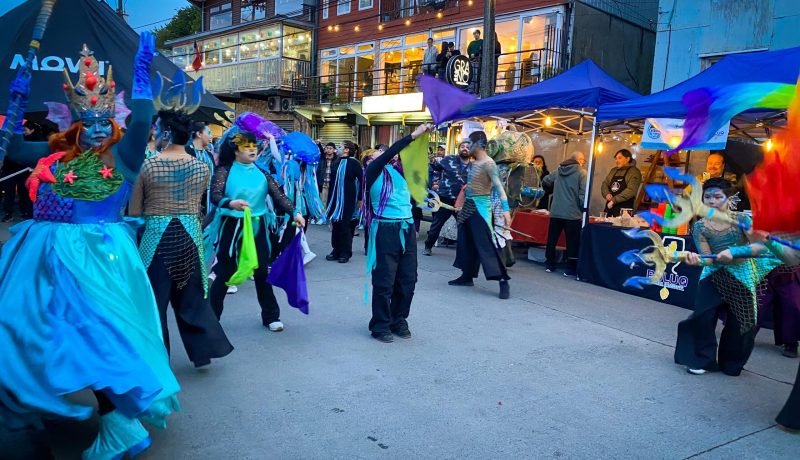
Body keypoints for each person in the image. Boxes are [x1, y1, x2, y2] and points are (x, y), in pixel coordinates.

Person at [0, 35, 180, 459]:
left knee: (95, 333)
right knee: (33, 329)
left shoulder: (123, 157)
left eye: (104, 122)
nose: (97, 129)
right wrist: (16, 96)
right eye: (89, 123)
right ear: (76, 123)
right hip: (43, 256)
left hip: (97, 257)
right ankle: (40, 402)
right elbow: (8, 150)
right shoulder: (54, 156)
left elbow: (140, 121)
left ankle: (119, 423)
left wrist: (141, 72)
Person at [129, 107, 233, 368]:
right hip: (190, 237)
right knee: (193, 297)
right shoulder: (201, 167)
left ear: (165, 132)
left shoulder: (147, 165)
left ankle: (157, 359)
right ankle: (202, 353)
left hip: (156, 239)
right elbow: (200, 205)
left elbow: (134, 211)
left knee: (155, 301)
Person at [207, 122, 304, 333]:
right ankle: (211, 318)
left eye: (254, 146)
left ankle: (271, 316)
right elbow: (215, 196)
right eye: (246, 146)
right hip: (232, 227)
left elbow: (278, 196)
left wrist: (294, 212)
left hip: (258, 226)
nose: (252, 149)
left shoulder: (261, 172)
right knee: (225, 272)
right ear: (235, 150)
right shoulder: (224, 170)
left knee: (261, 271)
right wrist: (230, 203)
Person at [676, 178, 779, 376]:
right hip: (713, 272)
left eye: (718, 197)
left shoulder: (741, 220)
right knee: (702, 317)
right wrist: (695, 259)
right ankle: (702, 360)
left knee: (743, 322)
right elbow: (706, 259)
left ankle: (731, 361)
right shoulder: (700, 226)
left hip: (741, 273)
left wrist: (736, 251)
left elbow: (760, 247)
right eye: (708, 197)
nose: (712, 201)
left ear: (728, 198)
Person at [363, 124, 432, 343]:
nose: (382, 155)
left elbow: (414, 167)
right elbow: (393, 151)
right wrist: (414, 134)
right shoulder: (371, 172)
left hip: (407, 228)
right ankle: (380, 324)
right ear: (369, 160)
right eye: (377, 154)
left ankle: (398, 319)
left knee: (408, 280)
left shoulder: (399, 174)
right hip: (385, 230)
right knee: (384, 280)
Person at [745, 230, 800, 430]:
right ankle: (739, 352)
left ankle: (791, 343)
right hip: (765, 269)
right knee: (754, 310)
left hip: (790, 270)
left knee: (793, 307)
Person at [448, 131, 512, 299]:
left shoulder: (489, 163)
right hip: (469, 204)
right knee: (465, 241)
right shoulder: (474, 162)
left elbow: (499, 188)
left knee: (486, 243)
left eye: (469, 143)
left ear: (478, 144)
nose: (466, 146)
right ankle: (467, 275)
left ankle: (503, 280)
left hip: (481, 207)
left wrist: (506, 210)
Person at [543, 152, 586, 278]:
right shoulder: (582, 173)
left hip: (555, 211)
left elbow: (546, 180)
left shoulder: (558, 170)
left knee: (552, 239)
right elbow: (582, 194)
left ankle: (549, 264)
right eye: (582, 159)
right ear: (578, 160)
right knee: (572, 242)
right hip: (572, 214)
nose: (583, 161)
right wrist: (583, 208)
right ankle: (569, 268)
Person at [423, 140, 471, 255]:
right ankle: (428, 246)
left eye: (468, 147)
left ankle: (465, 251)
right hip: (444, 198)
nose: (465, 148)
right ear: (458, 149)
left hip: (461, 201)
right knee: (437, 224)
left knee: (464, 226)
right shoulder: (449, 160)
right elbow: (435, 168)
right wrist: (433, 183)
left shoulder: (475, 166)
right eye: (462, 146)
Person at [326, 140, 363, 263]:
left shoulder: (354, 163)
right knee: (335, 224)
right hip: (335, 199)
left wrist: (360, 198)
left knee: (346, 226)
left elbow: (363, 181)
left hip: (348, 199)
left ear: (347, 150)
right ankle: (335, 250)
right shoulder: (336, 161)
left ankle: (345, 252)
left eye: (340, 146)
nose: (338, 148)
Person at [1, 120, 36, 222]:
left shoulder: (31, 140)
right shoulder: (9, 138)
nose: (23, 131)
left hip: (23, 170)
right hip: (8, 170)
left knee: (23, 192)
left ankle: (25, 211)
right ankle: (8, 213)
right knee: (9, 193)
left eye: (25, 129)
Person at [600, 149, 642, 217]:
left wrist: (614, 200)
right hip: (610, 207)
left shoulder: (634, 172)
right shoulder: (613, 170)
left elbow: (631, 190)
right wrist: (606, 194)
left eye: (620, 158)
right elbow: (605, 184)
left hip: (625, 209)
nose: (617, 161)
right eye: (616, 158)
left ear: (628, 159)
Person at [317, 142, 336, 210]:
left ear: (334, 150)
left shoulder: (337, 159)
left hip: (332, 183)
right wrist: (319, 144)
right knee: (323, 201)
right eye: (327, 148)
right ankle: (323, 217)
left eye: (330, 148)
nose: (328, 150)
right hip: (323, 183)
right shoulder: (322, 158)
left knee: (332, 200)